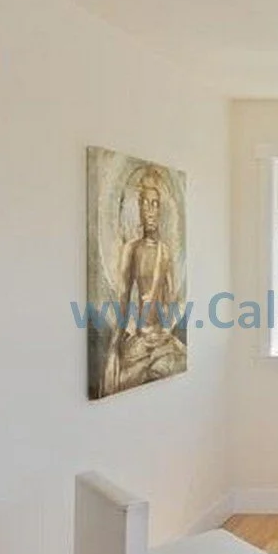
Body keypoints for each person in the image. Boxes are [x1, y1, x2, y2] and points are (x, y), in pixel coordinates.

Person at [101, 165, 186, 395]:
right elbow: (123, 301)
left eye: (155, 204)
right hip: (140, 339)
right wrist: (114, 348)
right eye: (145, 204)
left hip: (162, 339)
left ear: (161, 211)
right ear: (139, 209)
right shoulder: (132, 250)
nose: (150, 210)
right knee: (118, 379)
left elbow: (170, 300)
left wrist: (165, 332)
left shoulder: (165, 252)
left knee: (177, 360)